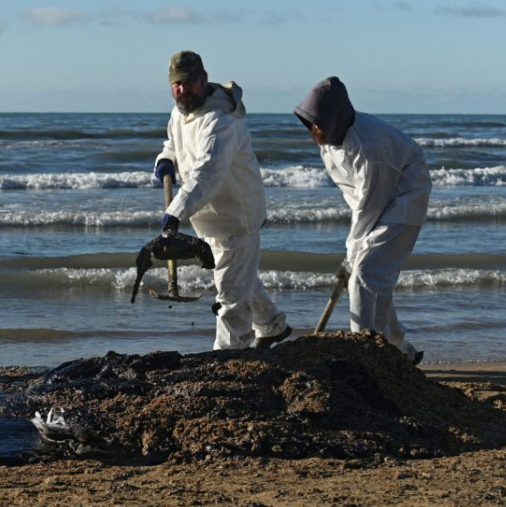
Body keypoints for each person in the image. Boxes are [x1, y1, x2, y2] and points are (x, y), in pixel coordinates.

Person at [154, 51, 291, 350]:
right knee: (238, 275)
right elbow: (172, 143)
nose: (182, 89)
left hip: (236, 214)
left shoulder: (221, 120)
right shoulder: (180, 112)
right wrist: (166, 159)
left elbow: (208, 172)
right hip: (209, 216)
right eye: (177, 84)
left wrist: (175, 211)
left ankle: (230, 355)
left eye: (189, 82)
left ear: (204, 80)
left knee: (229, 292)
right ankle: (271, 326)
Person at [295, 77, 431, 363]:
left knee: (366, 275)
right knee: (374, 275)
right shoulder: (329, 136)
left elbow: (371, 204)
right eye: (311, 122)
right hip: (376, 198)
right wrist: (355, 249)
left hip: (405, 196)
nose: (313, 129)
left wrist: (353, 252)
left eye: (317, 122)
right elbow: (356, 195)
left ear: (334, 118)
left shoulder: (370, 148)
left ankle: (366, 356)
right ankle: (398, 348)